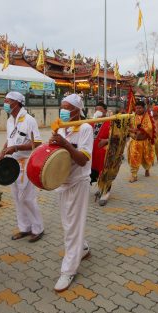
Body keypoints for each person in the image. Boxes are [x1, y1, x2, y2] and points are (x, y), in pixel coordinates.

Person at [48, 94, 93, 292]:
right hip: (63, 181)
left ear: (77, 110)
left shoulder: (85, 128)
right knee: (69, 223)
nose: (63, 111)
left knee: (72, 226)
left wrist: (65, 144)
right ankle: (82, 248)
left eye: (67, 107)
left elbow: (83, 160)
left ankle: (68, 270)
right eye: (61, 107)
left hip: (78, 182)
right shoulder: (60, 127)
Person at [0, 92, 44, 242]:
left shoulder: (29, 120)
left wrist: (16, 148)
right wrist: (1, 153)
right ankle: (24, 228)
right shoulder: (10, 120)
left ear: (16, 103)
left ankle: (38, 228)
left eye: (7, 101)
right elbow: (8, 140)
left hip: (25, 163)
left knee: (27, 198)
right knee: (17, 198)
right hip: (11, 164)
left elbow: (37, 144)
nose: (4, 103)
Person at [128, 101, 155, 183]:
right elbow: (127, 127)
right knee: (134, 157)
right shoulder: (132, 117)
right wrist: (133, 130)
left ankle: (147, 169)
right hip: (135, 142)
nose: (138, 109)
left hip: (145, 142)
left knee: (146, 157)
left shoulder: (147, 117)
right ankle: (134, 175)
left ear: (144, 108)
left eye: (140, 108)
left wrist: (141, 130)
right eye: (137, 108)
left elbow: (150, 128)